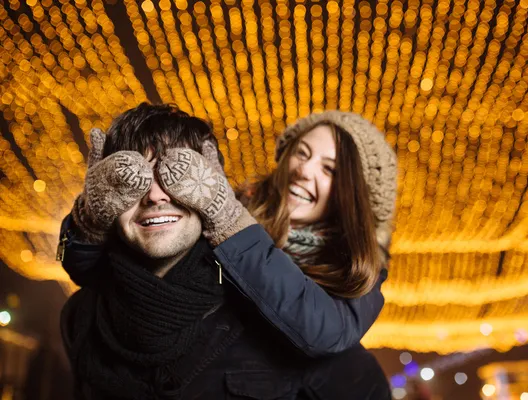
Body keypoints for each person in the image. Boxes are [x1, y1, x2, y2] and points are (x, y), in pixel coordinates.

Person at [59, 103, 397, 398]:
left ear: (352, 195)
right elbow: (108, 268)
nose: (304, 170)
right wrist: (90, 218)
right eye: (302, 153)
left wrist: (227, 217)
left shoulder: (355, 267)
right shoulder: (223, 208)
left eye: (330, 169)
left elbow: (327, 333)